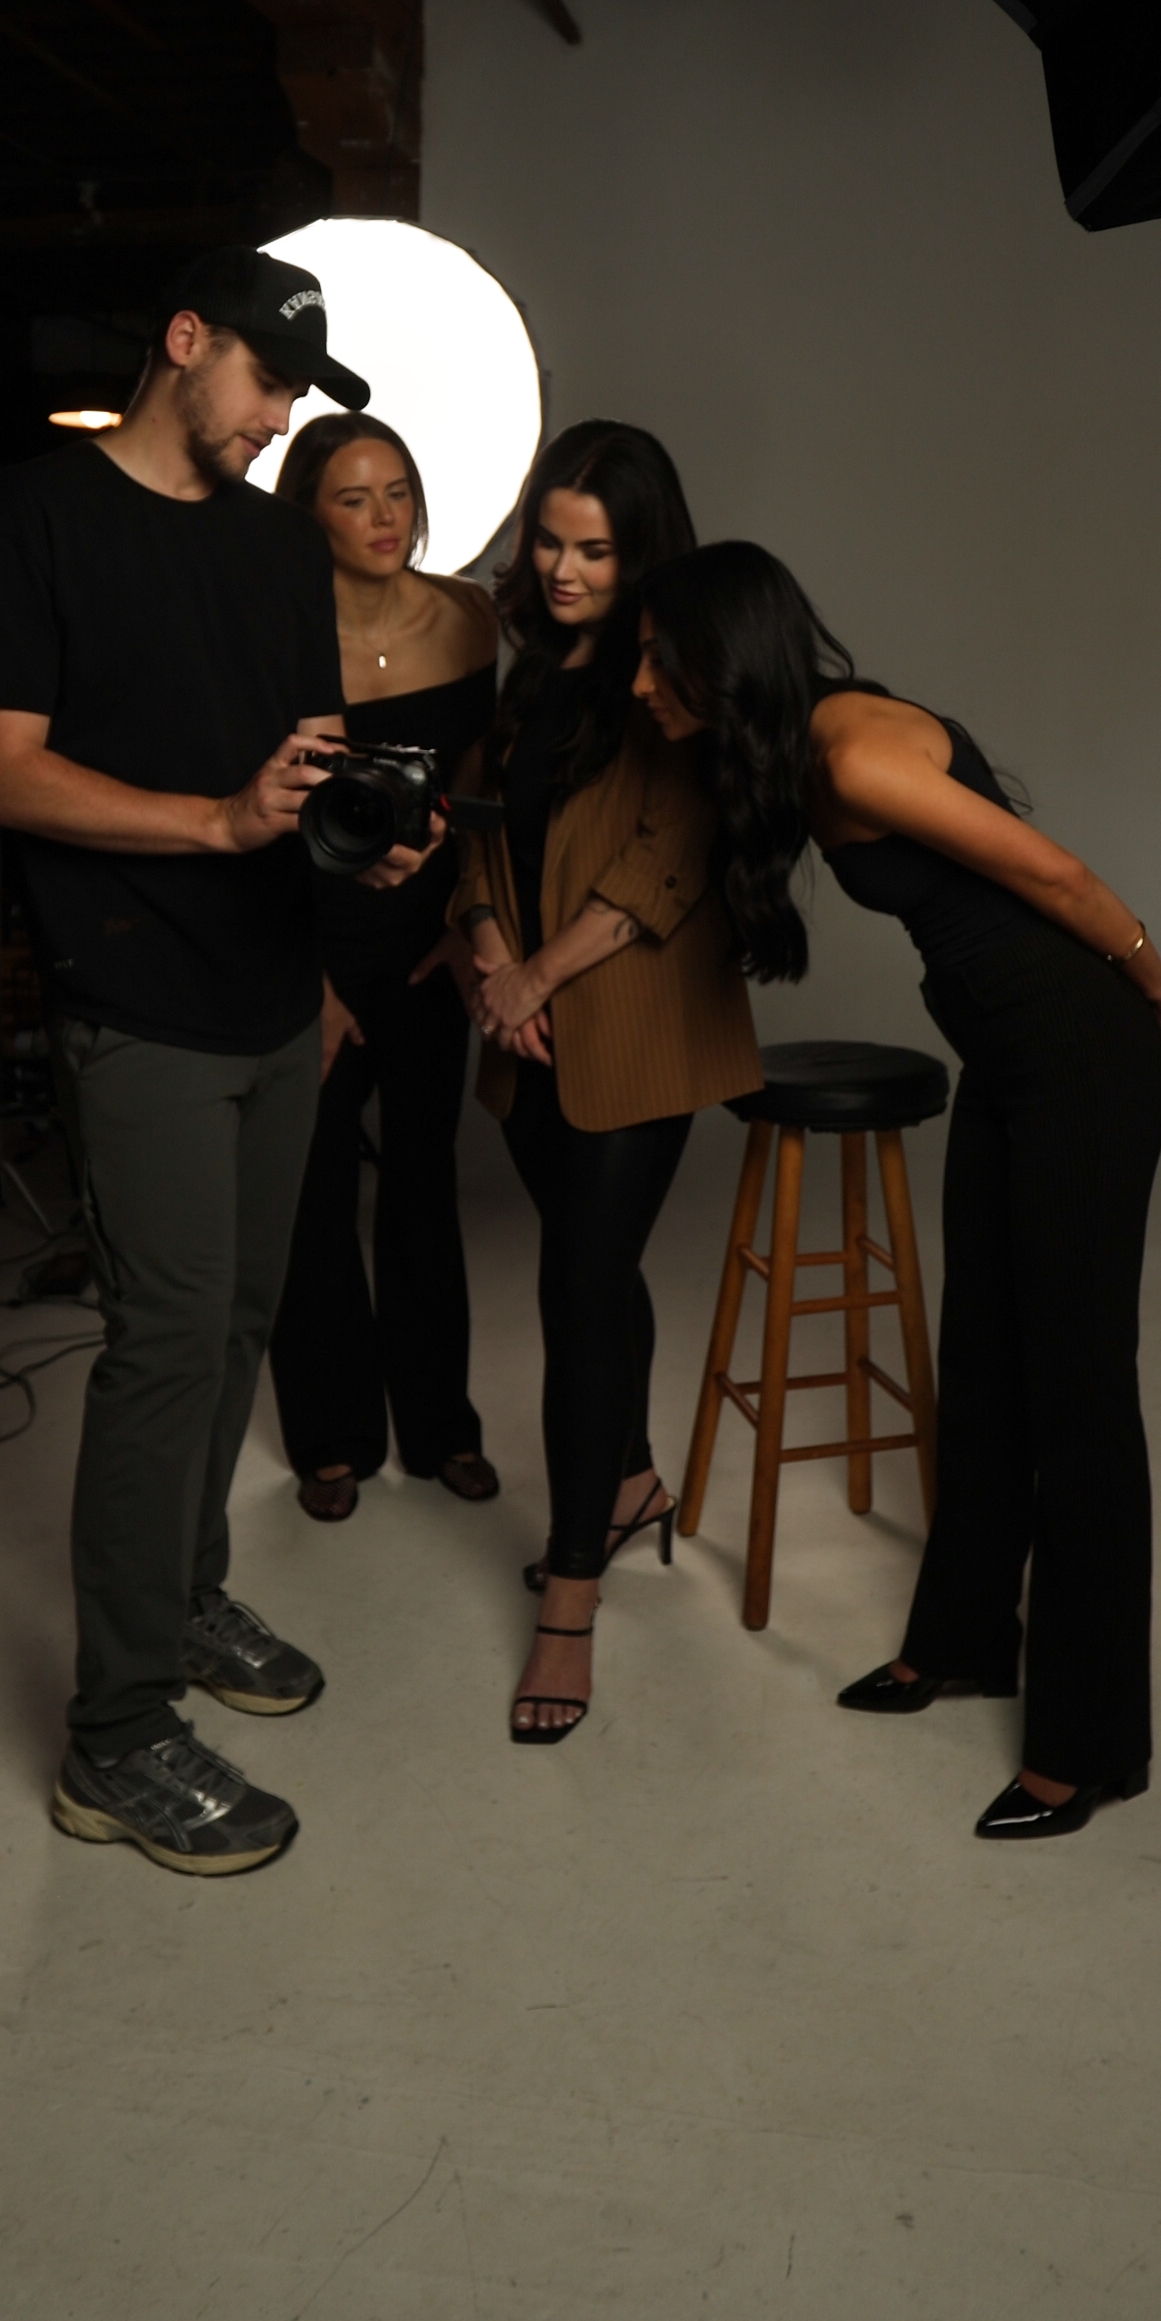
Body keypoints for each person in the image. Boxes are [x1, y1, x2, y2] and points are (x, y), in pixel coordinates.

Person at [0, 244, 426, 1878]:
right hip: (134, 993)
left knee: (240, 1321)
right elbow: (1, 773)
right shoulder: (35, 516)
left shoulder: (280, 546)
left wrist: (354, 848)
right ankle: (116, 1735)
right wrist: (214, 825)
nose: (280, 421)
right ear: (185, 339)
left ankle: (185, 1592)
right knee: (163, 1343)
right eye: (267, 383)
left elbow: (296, 765)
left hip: (277, 992)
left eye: (298, 397)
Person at [635, 541, 1161, 1843]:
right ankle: (961, 1641)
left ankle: (1088, 1746)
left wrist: (1157, 987)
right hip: (1012, 1063)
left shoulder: (851, 756)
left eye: (657, 660)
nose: (639, 684)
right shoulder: (792, 747)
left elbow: (1053, 875)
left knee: (1078, 1399)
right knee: (986, 1363)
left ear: (720, 659)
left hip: (1079, 1062)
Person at [455, 424, 762, 1745]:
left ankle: (571, 1600)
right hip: (525, 1031)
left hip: (637, 1029)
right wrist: (489, 954)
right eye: (550, 540)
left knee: (576, 1292)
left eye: (595, 549)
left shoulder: (674, 678)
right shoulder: (529, 671)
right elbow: (479, 831)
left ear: (644, 555)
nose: (565, 569)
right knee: (599, 1270)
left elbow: (665, 859)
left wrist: (537, 978)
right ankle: (630, 1481)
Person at [266, 412, 500, 1519]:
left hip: (428, 940)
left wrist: (469, 924)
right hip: (307, 940)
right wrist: (303, 980)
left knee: (423, 1184)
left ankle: (441, 1424)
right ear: (308, 516)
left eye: (398, 491)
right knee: (311, 1194)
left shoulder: (471, 616)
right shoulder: (279, 637)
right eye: (353, 498)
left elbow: (482, 791)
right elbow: (265, 820)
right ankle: (332, 1434)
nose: (384, 518)